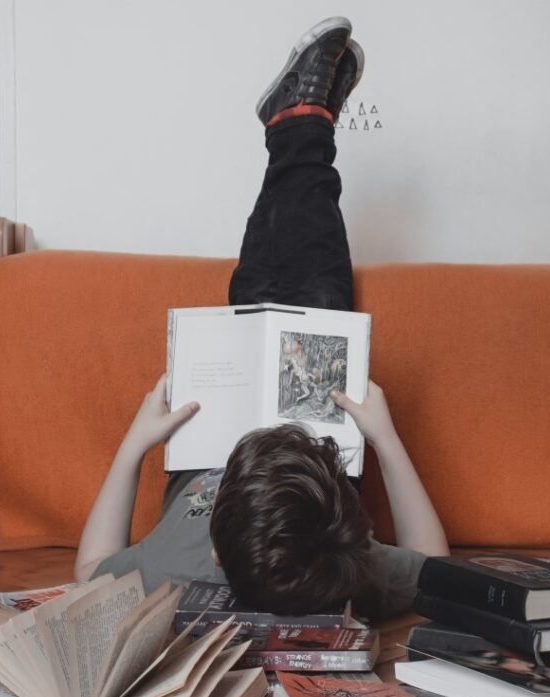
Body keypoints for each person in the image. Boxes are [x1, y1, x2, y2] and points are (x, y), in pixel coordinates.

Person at [73, 17, 449, 619]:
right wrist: (384, 437)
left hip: (213, 435)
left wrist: (136, 445)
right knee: (316, 299)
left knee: (266, 293)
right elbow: (439, 569)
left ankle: (301, 125)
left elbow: (90, 570)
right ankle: (300, 124)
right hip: (306, 488)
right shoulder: (341, 565)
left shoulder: (178, 569)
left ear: (216, 557)